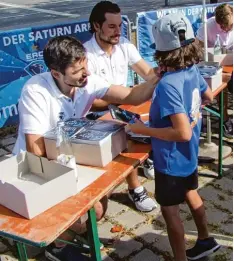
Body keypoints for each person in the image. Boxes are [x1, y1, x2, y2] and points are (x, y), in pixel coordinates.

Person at [13, 35, 159, 261]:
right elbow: (36, 151)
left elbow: (131, 95)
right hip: (35, 169)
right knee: (91, 213)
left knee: (97, 208)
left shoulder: (85, 80)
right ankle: (57, 246)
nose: (87, 74)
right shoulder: (35, 91)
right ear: (56, 73)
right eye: (77, 71)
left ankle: (68, 231)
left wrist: (157, 78)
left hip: (67, 158)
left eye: (86, 65)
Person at [128, 13, 220, 261]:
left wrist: (143, 130)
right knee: (191, 191)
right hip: (188, 155)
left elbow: (181, 132)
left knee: (170, 213)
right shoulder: (191, 69)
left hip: (170, 160)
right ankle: (205, 239)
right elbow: (209, 96)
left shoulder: (168, 85)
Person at [84, 1, 156, 183]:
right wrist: (128, 96)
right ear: (96, 26)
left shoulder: (124, 44)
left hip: (124, 104)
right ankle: (135, 188)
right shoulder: (85, 55)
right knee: (126, 130)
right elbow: (92, 103)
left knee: (159, 115)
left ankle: (147, 157)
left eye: (120, 26)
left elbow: (147, 73)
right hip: (97, 113)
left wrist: (167, 72)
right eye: (111, 26)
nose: (118, 31)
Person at [196, 3, 233, 139]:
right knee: (220, 85)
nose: (226, 29)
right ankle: (224, 119)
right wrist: (207, 55)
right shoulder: (208, 26)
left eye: (229, 25)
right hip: (214, 65)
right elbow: (196, 47)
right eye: (222, 26)